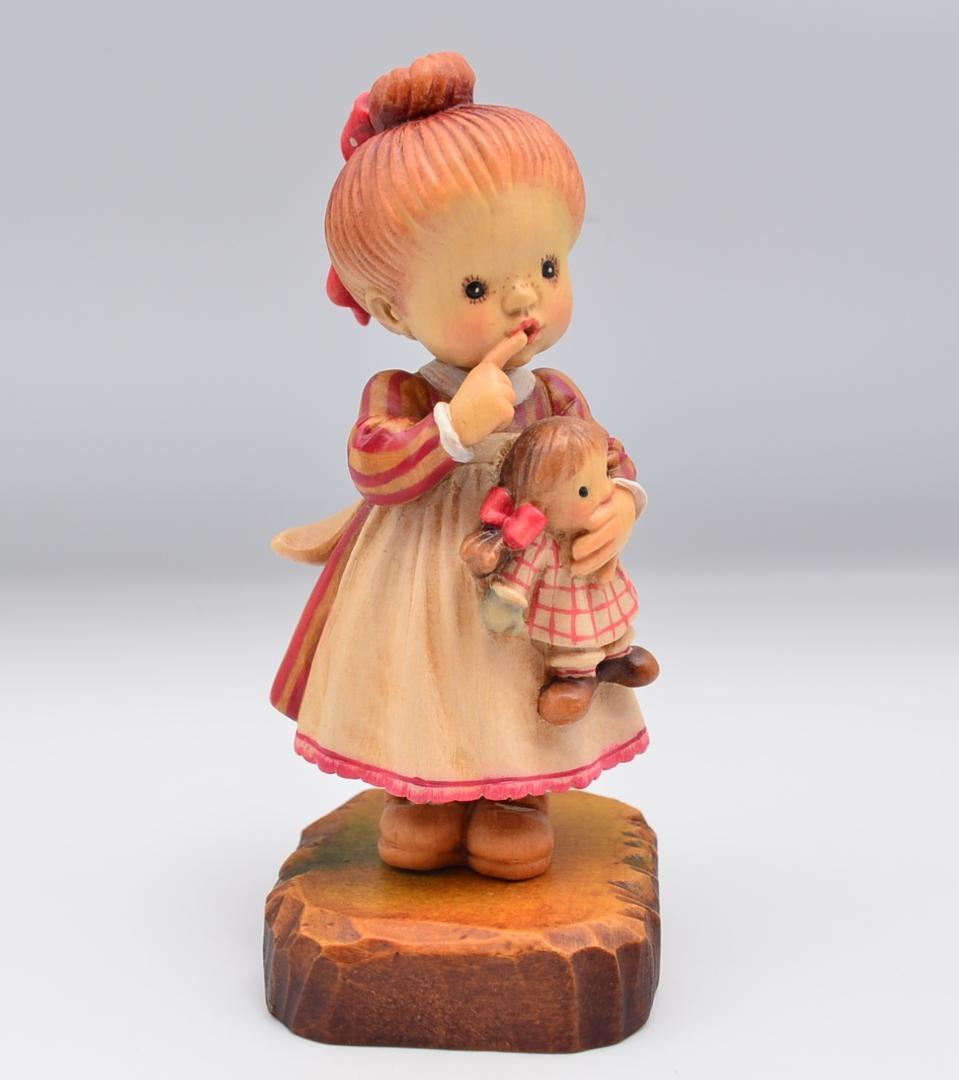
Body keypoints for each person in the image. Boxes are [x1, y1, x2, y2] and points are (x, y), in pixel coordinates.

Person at [271, 52, 654, 881]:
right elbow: (372, 465)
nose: (525, 301)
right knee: (424, 680)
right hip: (421, 576)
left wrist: (622, 500)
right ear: (390, 306)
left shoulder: (552, 394)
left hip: (534, 580)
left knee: (512, 687)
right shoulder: (405, 391)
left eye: (547, 268)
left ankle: (515, 798)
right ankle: (424, 794)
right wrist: (451, 426)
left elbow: (604, 456)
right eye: (477, 286)